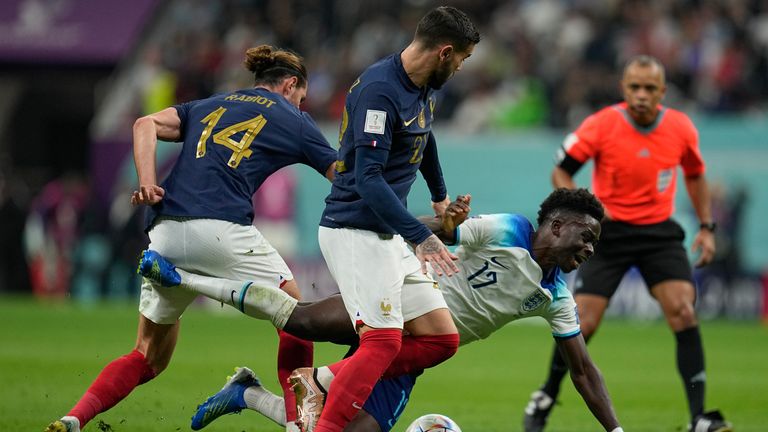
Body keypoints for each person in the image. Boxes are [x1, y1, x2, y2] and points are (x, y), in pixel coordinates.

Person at [139, 189, 624, 432]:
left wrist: (616, 430)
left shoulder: (556, 296)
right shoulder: (507, 230)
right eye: (587, 237)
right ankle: (192, 280)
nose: (590, 250)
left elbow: (582, 369)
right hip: (392, 303)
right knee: (302, 318)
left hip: (410, 355)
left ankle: (247, 395)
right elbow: (427, 227)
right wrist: (440, 225)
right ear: (557, 226)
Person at [44, 45, 337, 432]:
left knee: (148, 356)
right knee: (294, 316)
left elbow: (143, 125)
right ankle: (298, 423)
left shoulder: (208, 105)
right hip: (222, 230)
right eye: (301, 98)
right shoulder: (292, 118)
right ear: (290, 84)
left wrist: (148, 183)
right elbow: (342, 176)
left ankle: (73, 418)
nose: (301, 106)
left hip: (165, 233)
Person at [522, 55, 732, 432]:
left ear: (663, 92)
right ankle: (547, 394)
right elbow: (562, 168)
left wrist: (707, 226)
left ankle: (700, 416)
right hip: (610, 233)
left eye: (649, 88)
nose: (640, 95)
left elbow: (696, 176)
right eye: (634, 87)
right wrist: (580, 215)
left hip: (658, 233)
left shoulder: (681, 128)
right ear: (624, 89)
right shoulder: (602, 124)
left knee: (684, 311)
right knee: (582, 323)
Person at [301, 6, 480, 432]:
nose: (460, 68)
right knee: (381, 343)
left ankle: (319, 381)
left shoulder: (422, 86)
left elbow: (425, 134)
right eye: (462, 60)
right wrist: (422, 236)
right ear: (445, 52)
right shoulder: (379, 91)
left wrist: (439, 197)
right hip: (353, 231)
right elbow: (367, 178)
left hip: (385, 235)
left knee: (440, 338)